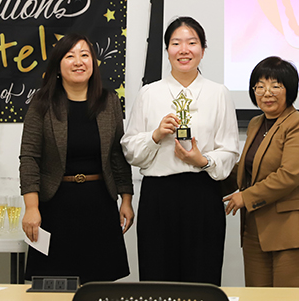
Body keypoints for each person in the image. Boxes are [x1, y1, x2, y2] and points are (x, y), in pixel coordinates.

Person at [121, 16, 239, 285]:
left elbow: (230, 150)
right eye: (176, 43)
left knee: (202, 278)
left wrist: (203, 160)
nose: (184, 50)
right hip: (158, 197)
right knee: (158, 278)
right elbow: (130, 149)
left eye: (192, 43)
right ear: (167, 50)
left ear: (203, 50)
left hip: (202, 195)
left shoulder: (219, 93)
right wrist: (155, 135)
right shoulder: (149, 93)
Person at [19, 33, 133, 283]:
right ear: (58, 65)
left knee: (99, 286)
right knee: (53, 287)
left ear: (93, 63)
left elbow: (117, 154)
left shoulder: (109, 101)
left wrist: (126, 199)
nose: (79, 62)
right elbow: (29, 157)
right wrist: (31, 208)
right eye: (70, 56)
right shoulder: (42, 102)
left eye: (85, 55)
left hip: (100, 205)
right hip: (55, 206)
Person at [223, 56, 299, 293]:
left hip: (292, 233)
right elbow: (247, 169)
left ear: (290, 90)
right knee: (258, 298)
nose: (267, 93)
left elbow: (289, 175)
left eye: (275, 86)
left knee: (291, 298)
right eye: (260, 86)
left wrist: (245, 197)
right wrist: (205, 166)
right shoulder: (257, 123)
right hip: (256, 231)